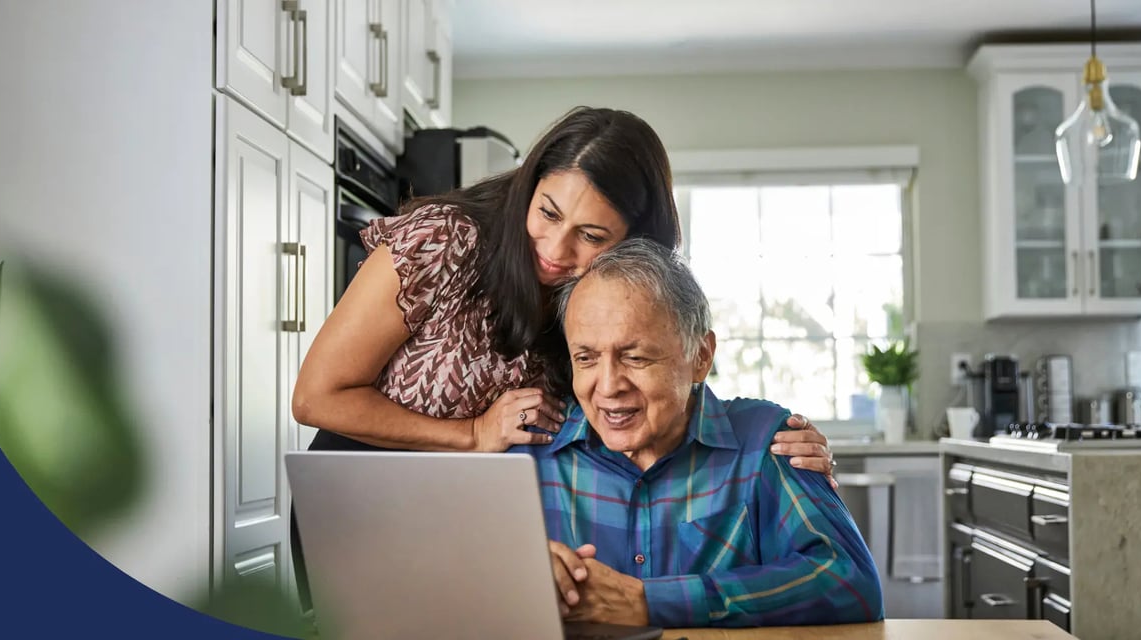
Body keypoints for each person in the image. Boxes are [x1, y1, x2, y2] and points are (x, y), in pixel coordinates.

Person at [291, 106, 836, 469]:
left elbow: (666, 389)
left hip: (486, 517)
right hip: (358, 497)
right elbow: (316, 398)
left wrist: (775, 444)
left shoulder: (614, 296)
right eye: (547, 212)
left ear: (635, 241)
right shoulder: (444, 238)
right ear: (530, 185)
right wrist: (473, 434)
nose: (554, 250)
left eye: (591, 235)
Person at [527, 238, 882, 629]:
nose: (608, 386)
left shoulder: (765, 442)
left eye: (635, 357)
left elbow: (850, 583)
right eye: (586, 358)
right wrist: (515, 575)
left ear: (701, 356)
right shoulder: (532, 455)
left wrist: (649, 602)